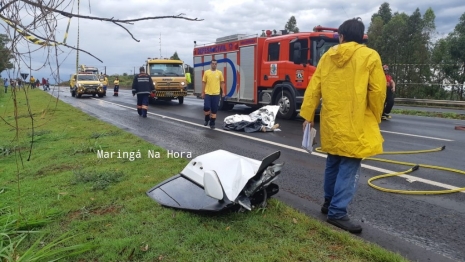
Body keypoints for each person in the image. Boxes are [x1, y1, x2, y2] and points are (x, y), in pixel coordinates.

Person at [300, 17, 386, 234]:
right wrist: (375, 116)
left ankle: (329, 203)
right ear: (362, 37)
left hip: (331, 121)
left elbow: (314, 87)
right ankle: (337, 212)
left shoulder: (327, 56)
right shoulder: (369, 56)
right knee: (349, 165)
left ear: (341, 36)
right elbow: (377, 91)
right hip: (355, 121)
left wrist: (308, 115)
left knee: (333, 161)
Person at [201, 58, 225, 129]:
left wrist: (223, 92)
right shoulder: (206, 72)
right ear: (210, 64)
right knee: (206, 107)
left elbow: (222, 83)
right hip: (208, 93)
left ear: (216, 65)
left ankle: (212, 123)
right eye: (213, 64)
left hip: (216, 94)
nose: (214, 65)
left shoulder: (219, 73)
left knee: (214, 110)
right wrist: (203, 92)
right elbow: (203, 83)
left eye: (215, 64)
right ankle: (206, 118)